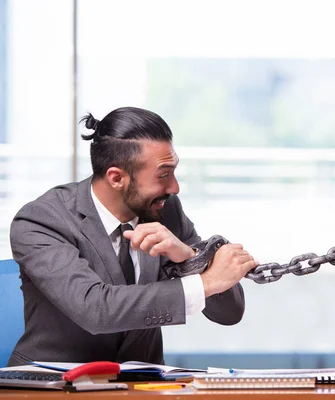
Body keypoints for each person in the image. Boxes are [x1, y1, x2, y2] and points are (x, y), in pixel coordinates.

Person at [8, 106, 259, 366]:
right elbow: (96, 310)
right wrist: (204, 283)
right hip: (54, 385)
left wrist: (190, 257)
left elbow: (230, 312)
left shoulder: (165, 208)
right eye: (163, 175)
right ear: (116, 178)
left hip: (142, 387)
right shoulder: (41, 220)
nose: (174, 187)